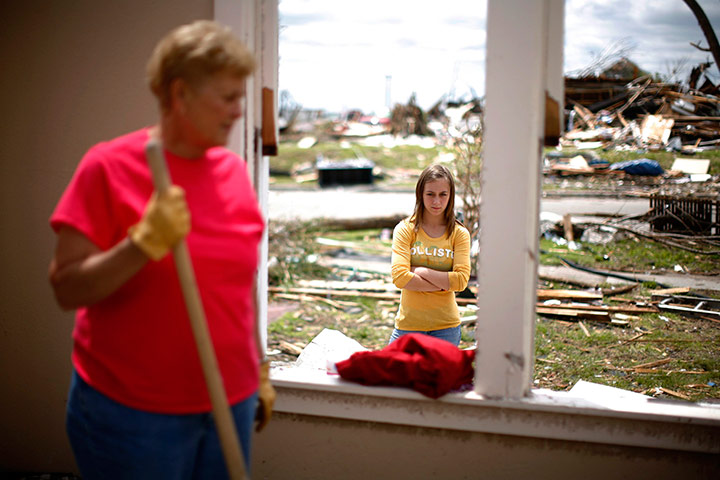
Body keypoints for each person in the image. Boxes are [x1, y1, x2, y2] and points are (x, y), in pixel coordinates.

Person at [48, 20, 274, 479]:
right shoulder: (108, 167)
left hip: (229, 398)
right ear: (179, 95)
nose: (238, 110)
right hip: (134, 415)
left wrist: (260, 368)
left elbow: (242, 283)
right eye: (227, 97)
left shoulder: (232, 172)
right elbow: (66, 288)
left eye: (241, 96)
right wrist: (141, 244)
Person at [389, 164, 471, 346]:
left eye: (443, 194)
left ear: (450, 196)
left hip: (446, 328)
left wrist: (420, 271)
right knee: (394, 374)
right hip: (408, 326)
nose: (437, 202)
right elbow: (400, 277)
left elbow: (461, 282)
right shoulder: (405, 230)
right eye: (430, 194)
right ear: (420, 194)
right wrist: (444, 284)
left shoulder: (459, 234)